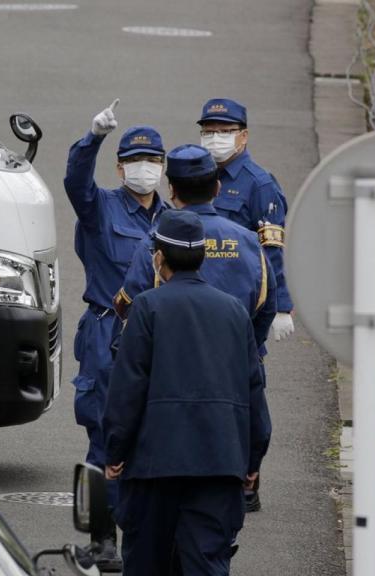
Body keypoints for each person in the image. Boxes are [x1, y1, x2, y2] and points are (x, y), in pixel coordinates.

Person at [104, 210, 272, 576]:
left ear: (159, 257)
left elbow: (128, 386)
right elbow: (253, 390)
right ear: (202, 257)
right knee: (206, 564)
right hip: (219, 463)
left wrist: (115, 450)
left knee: (148, 562)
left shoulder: (147, 307)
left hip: (154, 465)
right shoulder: (233, 311)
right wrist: (252, 459)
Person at [62, 98, 168, 570]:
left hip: (161, 335)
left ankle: (147, 537)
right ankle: (103, 540)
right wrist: (94, 138)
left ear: (164, 169)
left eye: (152, 161)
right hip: (108, 331)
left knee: (156, 436)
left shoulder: (174, 218)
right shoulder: (101, 207)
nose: (144, 169)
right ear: (121, 168)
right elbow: (75, 182)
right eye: (135, 161)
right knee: (103, 435)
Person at [115, 144, 277, 350]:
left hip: (172, 364)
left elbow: (130, 306)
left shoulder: (156, 241)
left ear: (171, 190)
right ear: (218, 188)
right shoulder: (249, 241)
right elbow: (267, 307)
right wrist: (246, 350)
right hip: (235, 366)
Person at [198, 98, 294, 343]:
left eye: (225, 131)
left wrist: (281, 304)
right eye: (209, 132)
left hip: (238, 298)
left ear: (243, 136)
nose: (215, 138)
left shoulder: (259, 185)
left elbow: (272, 249)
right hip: (198, 295)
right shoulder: (199, 175)